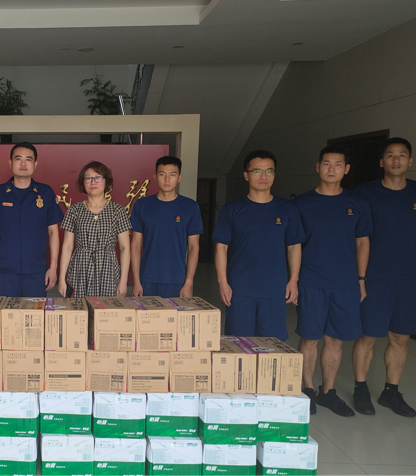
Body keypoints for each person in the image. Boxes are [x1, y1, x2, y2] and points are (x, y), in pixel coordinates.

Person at [352, 137, 416, 417]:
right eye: (390, 155)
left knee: (401, 338)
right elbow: (357, 237)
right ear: (382, 162)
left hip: (410, 278)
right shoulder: (365, 193)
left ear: (410, 161)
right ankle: (360, 388)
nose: (396, 160)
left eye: (402, 155)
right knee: (367, 336)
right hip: (374, 277)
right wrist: (360, 278)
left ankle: (391, 392)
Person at [294, 146, 372, 417]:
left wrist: (361, 280)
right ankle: (307, 390)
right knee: (309, 338)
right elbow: (293, 246)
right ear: (318, 167)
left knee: (336, 340)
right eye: (326, 163)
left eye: (338, 164)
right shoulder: (301, 203)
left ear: (346, 169)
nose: (331, 169)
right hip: (311, 280)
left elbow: (362, 242)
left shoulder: (357, 203)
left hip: (345, 282)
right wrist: (293, 280)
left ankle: (328, 392)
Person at [212, 150, 305, 340]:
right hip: (239, 289)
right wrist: (223, 282)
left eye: (269, 171)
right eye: (257, 171)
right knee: (238, 344)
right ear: (246, 175)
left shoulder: (287, 208)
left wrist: (293, 280)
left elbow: (294, 246)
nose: (264, 176)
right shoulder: (232, 209)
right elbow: (221, 247)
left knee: (272, 345)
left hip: (275, 288)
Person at [0, 142, 63, 297]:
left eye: (28, 159)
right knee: (5, 312)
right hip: (4, 273)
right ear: (10, 163)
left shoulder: (45, 192)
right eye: (18, 159)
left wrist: (53, 267)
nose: (23, 163)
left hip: (37, 273)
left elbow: (53, 233)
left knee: (35, 312)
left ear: (35, 164)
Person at [130, 155, 202, 298]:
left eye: (172, 175)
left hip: (177, 280)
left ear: (179, 178)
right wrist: (136, 282)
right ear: (155, 177)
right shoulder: (142, 205)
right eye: (162, 174)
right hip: (147, 279)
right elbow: (136, 245)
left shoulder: (190, 207)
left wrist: (188, 283)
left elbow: (193, 247)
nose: (167, 179)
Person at [58, 161, 131, 298]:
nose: (93, 182)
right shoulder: (74, 210)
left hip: (108, 269)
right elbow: (67, 247)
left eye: (98, 178)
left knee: (106, 309)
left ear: (106, 181)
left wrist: (123, 281)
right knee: (79, 308)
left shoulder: (118, 211)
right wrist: (61, 279)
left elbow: (124, 248)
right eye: (88, 178)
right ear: (83, 182)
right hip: (79, 268)